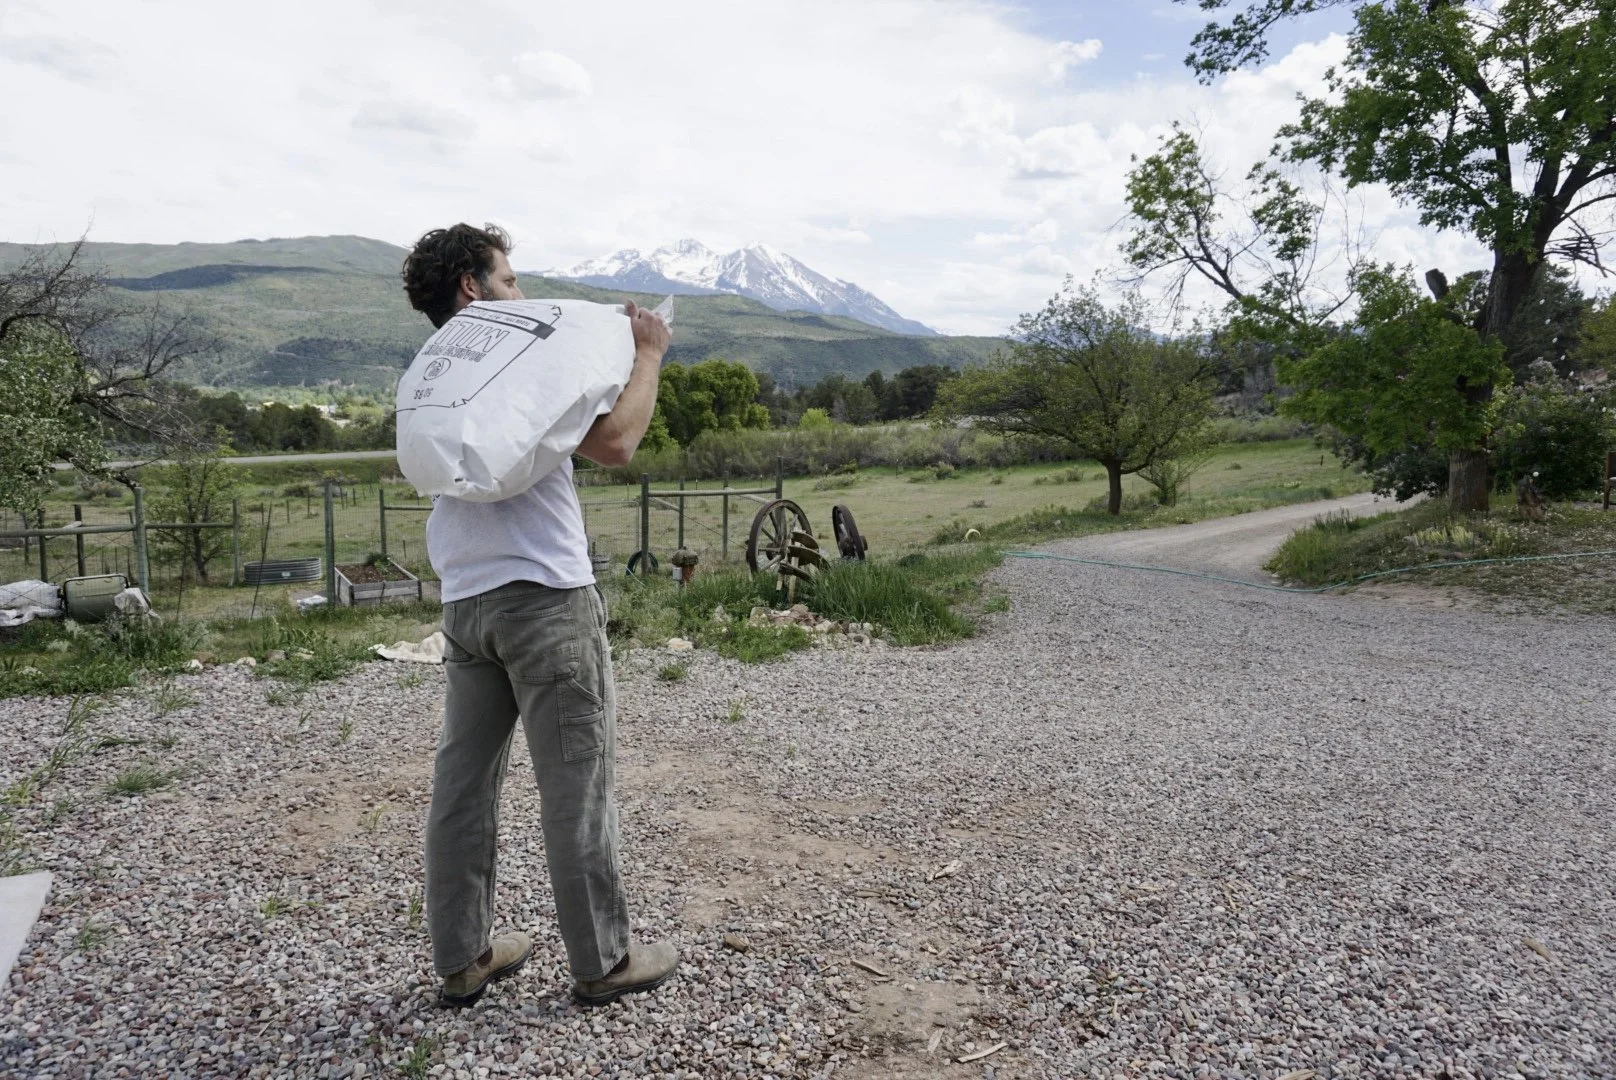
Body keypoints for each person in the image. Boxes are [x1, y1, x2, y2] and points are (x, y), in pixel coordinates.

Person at [400, 222, 676, 1008]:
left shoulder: (434, 374)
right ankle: (603, 962)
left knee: (463, 786)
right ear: (471, 288)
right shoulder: (521, 361)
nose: (521, 293)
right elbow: (618, 442)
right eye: (510, 280)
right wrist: (647, 352)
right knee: (575, 786)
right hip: (545, 601)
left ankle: (461, 960)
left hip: (465, 600)